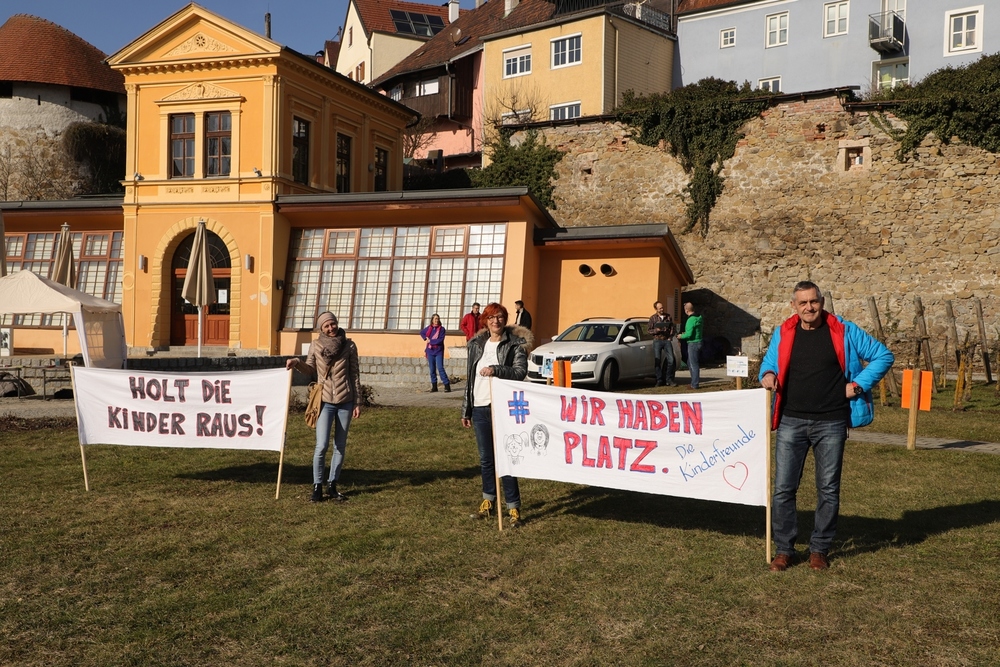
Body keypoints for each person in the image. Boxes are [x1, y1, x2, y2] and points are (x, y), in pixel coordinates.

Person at [760, 281, 894, 572]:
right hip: (791, 420)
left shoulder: (843, 330)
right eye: (803, 303)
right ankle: (784, 549)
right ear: (794, 306)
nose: (809, 307)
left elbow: (884, 356)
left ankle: (819, 549)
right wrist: (768, 374)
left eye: (814, 301)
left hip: (831, 422)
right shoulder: (783, 332)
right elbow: (769, 363)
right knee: (783, 489)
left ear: (821, 301)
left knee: (828, 489)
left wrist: (858, 386)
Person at [461, 302, 533, 528]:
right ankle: (488, 502)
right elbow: (470, 379)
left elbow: (520, 372)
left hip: (501, 408)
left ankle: (513, 508)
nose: (496, 321)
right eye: (491, 317)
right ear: (485, 320)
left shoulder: (514, 344)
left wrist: (496, 370)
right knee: (486, 459)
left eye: (500, 317)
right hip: (480, 407)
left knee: (506, 458)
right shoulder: (476, 345)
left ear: (505, 319)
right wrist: (467, 409)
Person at [286, 311, 362, 503]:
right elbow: (310, 369)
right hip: (324, 401)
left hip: (345, 400)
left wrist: (357, 402)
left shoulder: (349, 345)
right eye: (326, 326)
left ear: (337, 323)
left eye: (332, 324)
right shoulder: (316, 345)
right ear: (321, 328)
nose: (331, 328)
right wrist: (297, 363)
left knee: (340, 446)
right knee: (321, 446)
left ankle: (332, 484)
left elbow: (354, 375)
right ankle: (317, 486)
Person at [648, 301, 676, 386]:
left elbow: (672, 328)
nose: (662, 309)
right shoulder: (653, 318)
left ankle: (669, 379)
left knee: (671, 360)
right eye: (660, 308)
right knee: (658, 361)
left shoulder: (668, 316)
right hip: (657, 340)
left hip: (666, 340)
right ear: (656, 309)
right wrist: (656, 330)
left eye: (662, 307)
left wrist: (670, 337)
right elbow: (649, 330)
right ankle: (659, 379)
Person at [420, 313, 450, 393]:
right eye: (435, 319)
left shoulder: (442, 329)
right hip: (430, 351)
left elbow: (440, 340)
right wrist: (425, 338)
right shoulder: (429, 328)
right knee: (432, 369)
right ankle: (434, 386)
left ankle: (447, 385)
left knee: (440, 368)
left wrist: (431, 341)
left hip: (438, 351)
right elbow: (422, 333)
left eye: (438, 319)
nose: (436, 320)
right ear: (432, 320)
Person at [677, 302, 703, 389]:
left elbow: (689, 334)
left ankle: (695, 384)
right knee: (689, 362)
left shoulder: (690, 320)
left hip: (693, 343)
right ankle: (693, 382)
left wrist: (681, 336)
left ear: (686, 310)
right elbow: (694, 331)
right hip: (699, 341)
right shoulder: (699, 318)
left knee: (693, 364)